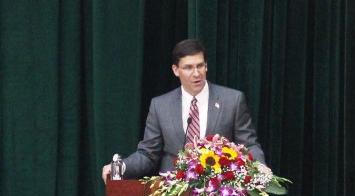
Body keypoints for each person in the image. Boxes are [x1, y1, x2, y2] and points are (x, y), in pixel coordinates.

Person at [102, 39, 264, 183]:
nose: (196, 73)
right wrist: (121, 167)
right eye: (188, 67)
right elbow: (147, 154)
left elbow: (248, 145)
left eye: (200, 66)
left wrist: (260, 168)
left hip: (220, 193)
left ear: (206, 66)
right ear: (175, 70)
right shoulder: (160, 106)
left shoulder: (232, 101)